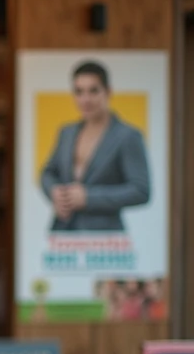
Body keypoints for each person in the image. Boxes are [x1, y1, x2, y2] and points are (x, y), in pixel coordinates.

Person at [39, 60, 151, 232]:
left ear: (108, 91)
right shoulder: (66, 132)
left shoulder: (127, 136)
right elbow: (48, 172)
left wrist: (89, 198)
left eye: (93, 91)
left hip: (105, 240)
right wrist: (54, 191)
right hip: (63, 233)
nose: (86, 99)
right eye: (79, 92)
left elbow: (140, 190)